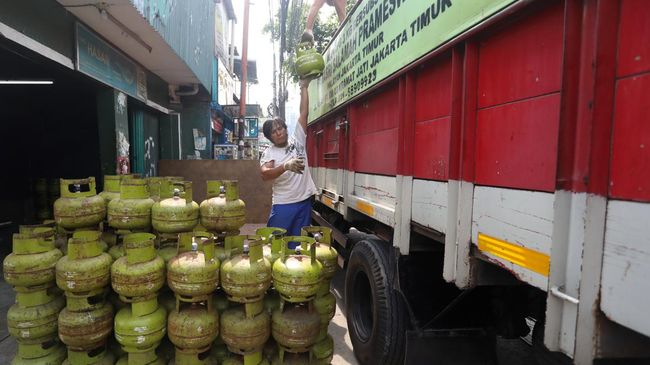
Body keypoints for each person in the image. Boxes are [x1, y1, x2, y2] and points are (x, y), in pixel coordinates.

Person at [260, 78, 317, 244]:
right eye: (274, 132)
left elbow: (304, 112)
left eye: (280, 128)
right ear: (270, 137)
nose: (279, 132)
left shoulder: (297, 140)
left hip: (303, 204)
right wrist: (285, 166)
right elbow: (265, 174)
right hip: (283, 205)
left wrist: (304, 87)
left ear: (285, 128)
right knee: (276, 246)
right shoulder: (269, 153)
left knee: (298, 245)